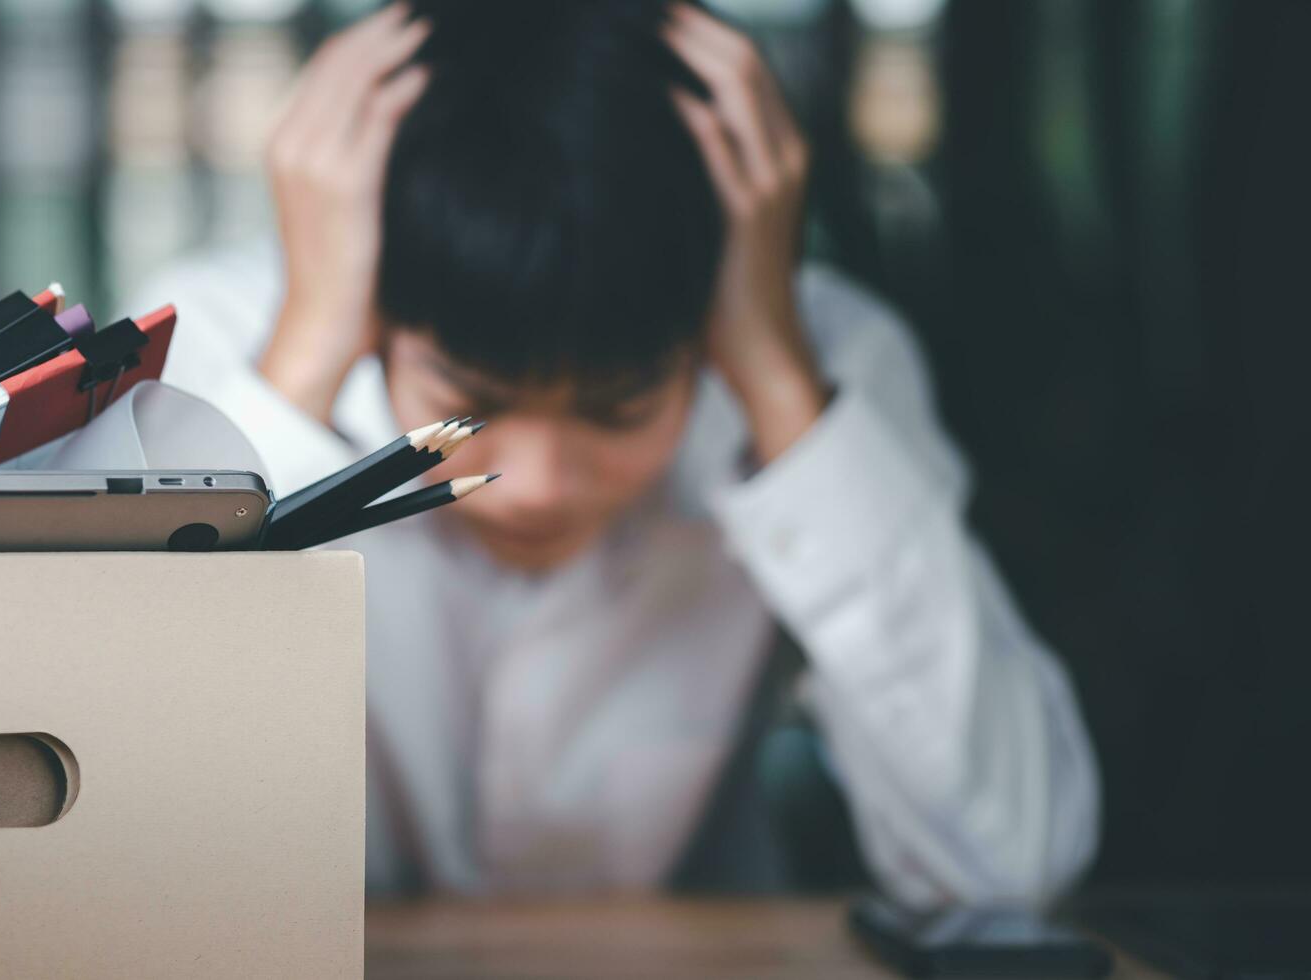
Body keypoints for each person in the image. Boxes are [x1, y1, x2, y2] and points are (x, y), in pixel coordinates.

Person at [141, 0, 1099, 907]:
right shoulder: (215, 357)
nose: (537, 485)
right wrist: (301, 368)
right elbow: (107, 837)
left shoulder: (816, 365)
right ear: (379, 321)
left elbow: (1010, 868)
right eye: (466, 405)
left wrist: (775, 378)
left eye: (624, 406)